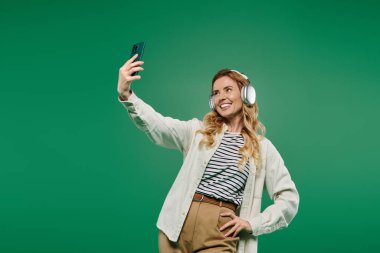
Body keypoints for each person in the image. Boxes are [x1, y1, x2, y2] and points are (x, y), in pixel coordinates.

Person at [117, 53, 300, 253]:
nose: (221, 97)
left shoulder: (262, 148)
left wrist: (253, 224)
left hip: (220, 231)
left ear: (247, 94)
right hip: (175, 228)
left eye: (228, 90)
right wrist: (127, 95)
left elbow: (289, 199)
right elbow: (159, 125)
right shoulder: (198, 132)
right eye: (216, 93)